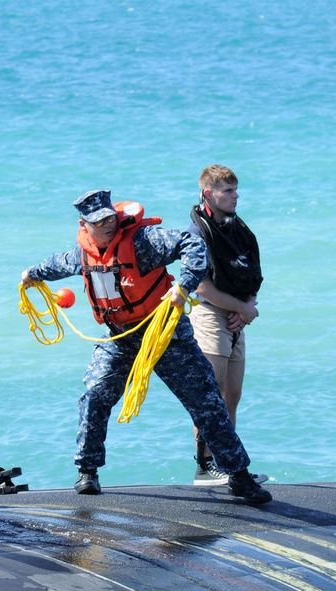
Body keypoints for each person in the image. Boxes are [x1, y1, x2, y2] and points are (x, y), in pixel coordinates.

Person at [19, 189, 271, 504]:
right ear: (85, 226)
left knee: (206, 400)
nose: (107, 225)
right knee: (94, 396)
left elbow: (191, 244)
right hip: (120, 337)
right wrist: (31, 274)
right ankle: (87, 472)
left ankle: (238, 476)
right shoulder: (82, 252)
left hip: (164, 333)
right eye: (98, 222)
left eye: (110, 218)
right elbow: (58, 264)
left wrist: (184, 286)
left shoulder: (143, 242)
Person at [187, 165, 267, 486]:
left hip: (237, 316)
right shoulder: (196, 234)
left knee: (232, 394)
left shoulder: (238, 229)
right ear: (208, 194)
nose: (236, 196)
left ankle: (231, 466)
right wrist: (242, 308)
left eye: (236, 190)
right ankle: (204, 466)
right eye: (228, 191)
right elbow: (201, 286)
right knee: (211, 395)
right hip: (209, 315)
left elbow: (253, 271)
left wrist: (246, 306)